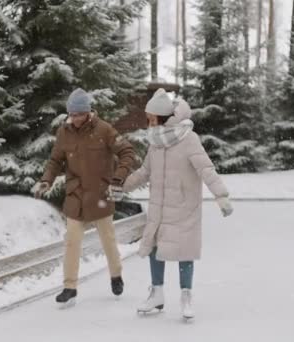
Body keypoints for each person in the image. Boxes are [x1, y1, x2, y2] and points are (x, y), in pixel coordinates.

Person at [117, 89, 233, 319]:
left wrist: (221, 195)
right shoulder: (155, 141)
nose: (147, 122)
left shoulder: (188, 138)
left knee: (184, 250)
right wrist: (122, 186)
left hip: (184, 205)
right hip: (159, 206)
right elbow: (144, 171)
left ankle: (186, 295)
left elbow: (206, 169)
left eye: (150, 117)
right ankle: (157, 293)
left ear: (161, 116)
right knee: (154, 248)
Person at [34, 88, 136, 307]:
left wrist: (118, 178)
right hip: (76, 195)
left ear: (88, 112)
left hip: (100, 194)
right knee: (71, 242)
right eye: (73, 115)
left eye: (80, 114)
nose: (76, 119)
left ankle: (116, 274)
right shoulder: (64, 132)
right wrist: (46, 180)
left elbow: (127, 151)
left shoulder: (104, 130)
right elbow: (55, 160)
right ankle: (69, 287)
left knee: (108, 240)